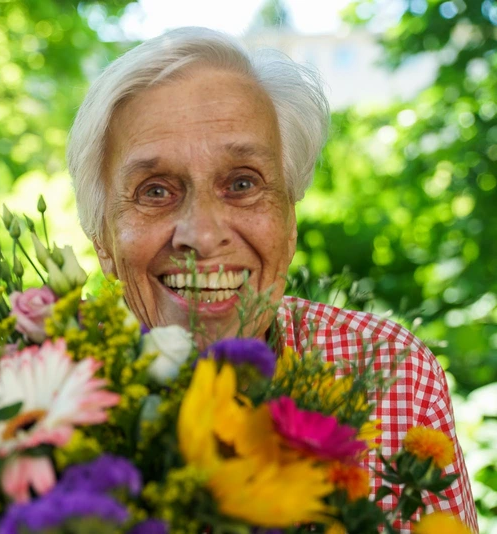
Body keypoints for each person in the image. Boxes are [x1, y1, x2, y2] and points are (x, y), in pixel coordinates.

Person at [66, 27, 478, 531]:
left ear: (289, 220)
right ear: (103, 238)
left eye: (242, 183)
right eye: (155, 191)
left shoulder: (395, 376)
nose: (201, 235)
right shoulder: (32, 406)